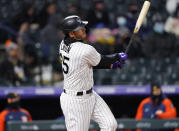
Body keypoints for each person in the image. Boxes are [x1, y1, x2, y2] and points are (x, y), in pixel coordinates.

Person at [59, 15, 127, 131]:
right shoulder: (83, 49)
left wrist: (112, 65)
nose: (84, 29)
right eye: (79, 28)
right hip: (75, 101)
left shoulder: (63, 43)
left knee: (110, 125)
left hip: (90, 95)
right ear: (71, 34)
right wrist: (117, 57)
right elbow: (102, 60)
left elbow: (89, 63)